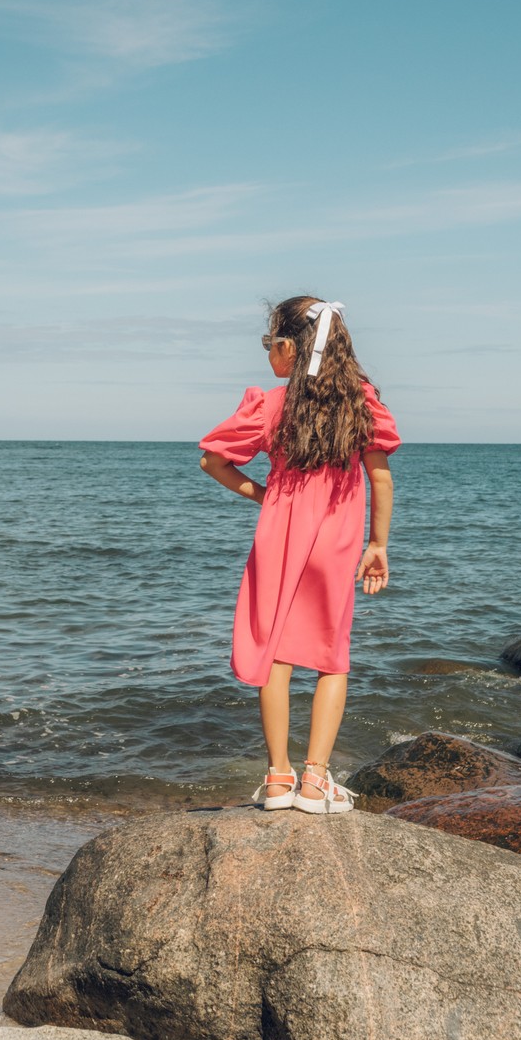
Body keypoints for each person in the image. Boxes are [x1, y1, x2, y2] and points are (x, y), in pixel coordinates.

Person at [199, 296, 400, 815]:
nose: (269, 353)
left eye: (270, 343)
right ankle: (315, 783)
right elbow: (380, 476)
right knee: (332, 659)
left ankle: (276, 780)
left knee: (276, 655)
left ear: (291, 346)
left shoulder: (270, 405)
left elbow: (213, 462)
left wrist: (267, 496)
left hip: (278, 537)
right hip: (335, 540)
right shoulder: (360, 403)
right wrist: (377, 545)